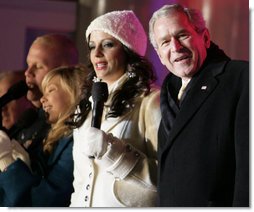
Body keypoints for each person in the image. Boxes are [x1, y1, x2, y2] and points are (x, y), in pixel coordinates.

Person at [148, 4, 249, 207]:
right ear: (159, 55)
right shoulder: (167, 94)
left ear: (204, 37)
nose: (175, 47)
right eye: (165, 42)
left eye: (182, 35)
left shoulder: (241, 77)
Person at [70, 10, 161, 207]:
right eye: (92, 46)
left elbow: (168, 175)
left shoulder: (150, 100)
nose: (97, 54)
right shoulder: (85, 105)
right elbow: (80, 181)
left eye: (108, 45)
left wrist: (114, 153)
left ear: (129, 50)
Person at [0, 65, 87, 206]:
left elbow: (42, 202)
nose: (42, 99)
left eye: (51, 90)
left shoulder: (76, 140)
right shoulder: (51, 138)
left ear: (74, 93)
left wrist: (6, 162)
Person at [16, 34, 79, 150]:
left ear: (64, 73)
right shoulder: (29, 121)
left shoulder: (73, 130)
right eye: (28, 65)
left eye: (39, 66)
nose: (27, 72)